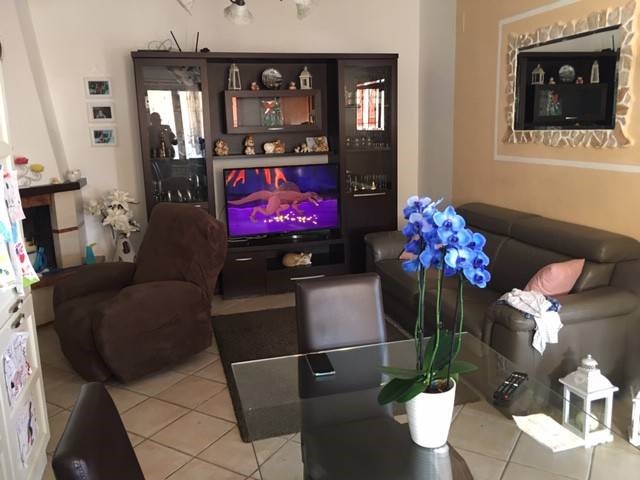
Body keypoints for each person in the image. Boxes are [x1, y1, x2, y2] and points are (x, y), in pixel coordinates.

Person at [228, 181, 322, 222]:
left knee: (286, 206)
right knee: (268, 213)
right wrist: (299, 210)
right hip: (275, 197)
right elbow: (306, 198)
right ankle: (256, 210)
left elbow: (295, 204)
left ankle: (277, 212)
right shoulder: (301, 196)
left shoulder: (301, 196)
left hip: (279, 198)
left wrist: (299, 210)